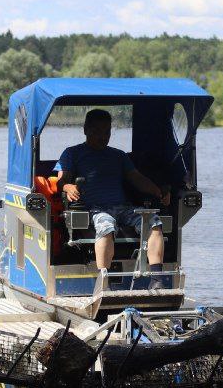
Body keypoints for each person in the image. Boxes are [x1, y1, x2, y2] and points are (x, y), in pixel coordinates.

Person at [57, 108, 169, 273]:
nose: (103, 136)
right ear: (86, 130)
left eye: (106, 131)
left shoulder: (118, 156)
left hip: (123, 207)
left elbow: (137, 179)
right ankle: (104, 279)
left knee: (154, 222)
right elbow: (61, 181)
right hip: (96, 209)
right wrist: (68, 187)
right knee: (107, 225)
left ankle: (157, 278)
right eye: (97, 131)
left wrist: (158, 191)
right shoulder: (72, 153)